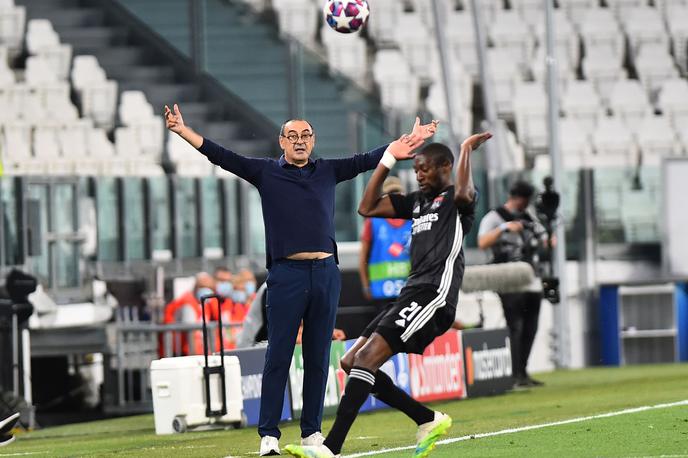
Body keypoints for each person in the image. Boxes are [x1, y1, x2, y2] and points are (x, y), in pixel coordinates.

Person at [164, 103, 437, 456]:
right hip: (286, 275)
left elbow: (366, 159)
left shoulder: (326, 171)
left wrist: (403, 144)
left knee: (317, 355)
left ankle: (312, 433)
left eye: (305, 135)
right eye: (292, 136)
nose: (299, 141)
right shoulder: (265, 172)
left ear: (313, 140)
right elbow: (221, 156)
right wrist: (184, 131)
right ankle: (268, 436)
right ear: (281, 141)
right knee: (278, 355)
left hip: (326, 273)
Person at [284, 132, 492, 458]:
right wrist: (388, 159)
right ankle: (427, 418)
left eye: (426, 169)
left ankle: (330, 448)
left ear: (446, 167)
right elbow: (365, 207)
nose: (419, 175)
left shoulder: (456, 199)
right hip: (409, 293)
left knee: (366, 360)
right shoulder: (418, 202)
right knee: (351, 360)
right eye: (417, 169)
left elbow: (466, 192)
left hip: (434, 296)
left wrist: (466, 149)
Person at [477, 180, 549, 388]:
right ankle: (514, 374)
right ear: (516, 198)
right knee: (515, 324)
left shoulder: (529, 216)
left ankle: (522, 372)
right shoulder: (495, 217)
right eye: (523, 201)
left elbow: (545, 240)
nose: (524, 206)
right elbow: (482, 243)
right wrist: (504, 228)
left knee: (531, 325)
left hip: (530, 276)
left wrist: (547, 235)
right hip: (507, 277)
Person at [358, 176, 412, 310]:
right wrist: (366, 286)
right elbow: (363, 256)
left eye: (397, 193)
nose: (395, 198)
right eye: (390, 194)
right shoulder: (373, 222)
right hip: (381, 292)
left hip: (408, 290)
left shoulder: (413, 220)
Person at [161, 272, 216, 356]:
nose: (206, 290)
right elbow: (190, 334)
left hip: (196, 351)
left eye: (209, 287)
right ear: (195, 287)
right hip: (183, 353)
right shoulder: (187, 303)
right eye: (202, 286)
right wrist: (194, 356)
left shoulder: (203, 303)